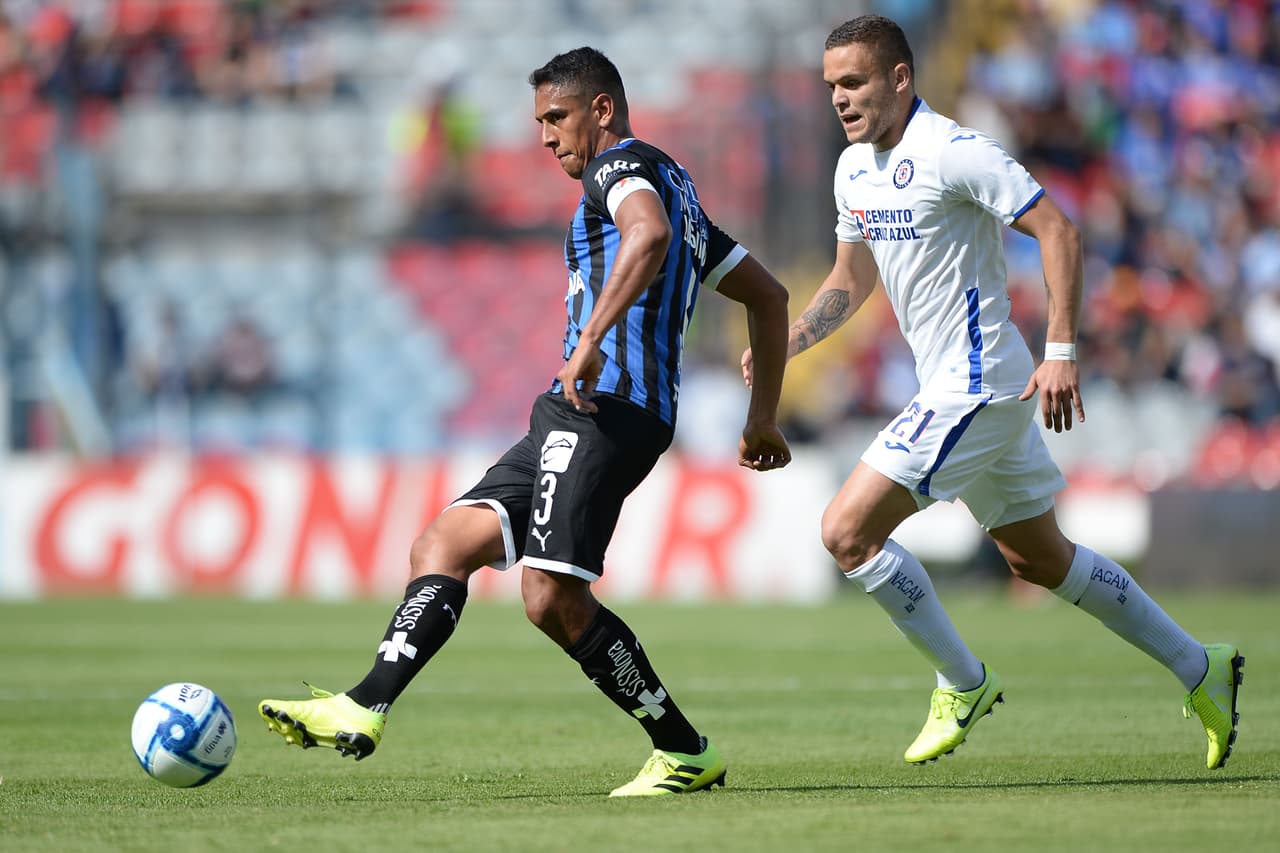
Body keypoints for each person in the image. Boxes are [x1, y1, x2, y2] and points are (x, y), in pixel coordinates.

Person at [259, 46, 792, 796]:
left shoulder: (618, 169)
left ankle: (683, 749)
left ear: (601, 109)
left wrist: (591, 339)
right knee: (443, 543)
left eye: (556, 116)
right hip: (577, 410)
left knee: (549, 597)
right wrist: (761, 418)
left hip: (607, 408)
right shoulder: (682, 193)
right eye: (539, 120)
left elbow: (647, 235)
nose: (544, 136)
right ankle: (364, 703)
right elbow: (769, 297)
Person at [742, 15, 1243, 769]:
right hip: (961, 386)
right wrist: (790, 341)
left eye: (853, 82)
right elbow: (851, 276)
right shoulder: (853, 169)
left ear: (900, 78)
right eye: (831, 86)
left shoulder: (954, 150)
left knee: (846, 532)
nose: (839, 99)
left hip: (977, 382)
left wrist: (1061, 350)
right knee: (1040, 560)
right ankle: (1202, 667)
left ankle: (962, 681)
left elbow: (1059, 230)